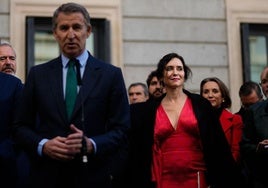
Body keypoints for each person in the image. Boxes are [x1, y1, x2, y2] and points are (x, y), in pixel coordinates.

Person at [12, 2, 130, 188]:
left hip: (93, 176)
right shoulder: (38, 74)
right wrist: (43, 145)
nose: (71, 34)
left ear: (88, 31)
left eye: (77, 27)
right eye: (64, 28)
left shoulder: (110, 75)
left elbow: (122, 130)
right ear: (55, 33)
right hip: (47, 177)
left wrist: (92, 143)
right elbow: (20, 126)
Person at [127, 52, 242, 188]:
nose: (175, 72)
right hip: (163, 178)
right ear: (162, 76)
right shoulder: (149, 110)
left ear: (184, 74)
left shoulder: (201, 105)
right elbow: (139, 151)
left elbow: (217, 147)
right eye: (169, 68)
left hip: (197, 178)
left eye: (179, 68)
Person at [200, 77, 243, 162]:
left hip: (226, 170)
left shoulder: (235, 120)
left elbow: (236, 151)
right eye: (206, 92)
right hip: (202, 170)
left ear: (223, 96)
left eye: (215, 91)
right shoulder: (196, 120)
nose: (210, 95)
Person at [0, 72, 23, 187]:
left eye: (11, 58)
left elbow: (20, 125)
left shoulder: (13, 84)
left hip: (4, 164)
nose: (8, 62)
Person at [240, 98, 268, 188]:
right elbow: (244, 145)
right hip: (262, 177)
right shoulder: (254, 111)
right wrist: (257, 148)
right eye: (263, 82)